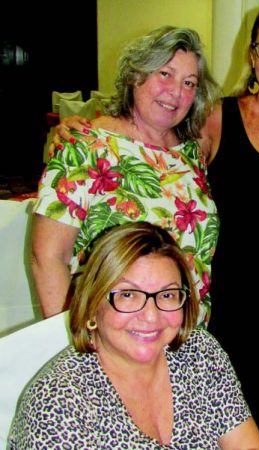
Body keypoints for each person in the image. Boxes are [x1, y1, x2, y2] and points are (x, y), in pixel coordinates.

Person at [52, 1, 259, 444]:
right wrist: (81, 130)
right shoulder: (215, 119)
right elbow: (153, 144)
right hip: (236, 303)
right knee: (239, 422)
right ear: (251, 56)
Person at [9, 221, 259, 449]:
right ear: (92, 303)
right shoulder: (57, 403)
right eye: (128, 295)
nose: (151, 316)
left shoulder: (199, 353)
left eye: (167, 295)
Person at [31, 26, 221, 325]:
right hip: (115, 336)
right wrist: (71, 341)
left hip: (188, 332)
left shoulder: (191, 155)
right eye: (165, 74)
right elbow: (47, 257)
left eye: (189, 83)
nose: (176, 92)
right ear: (136, 75)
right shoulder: (86, 146)